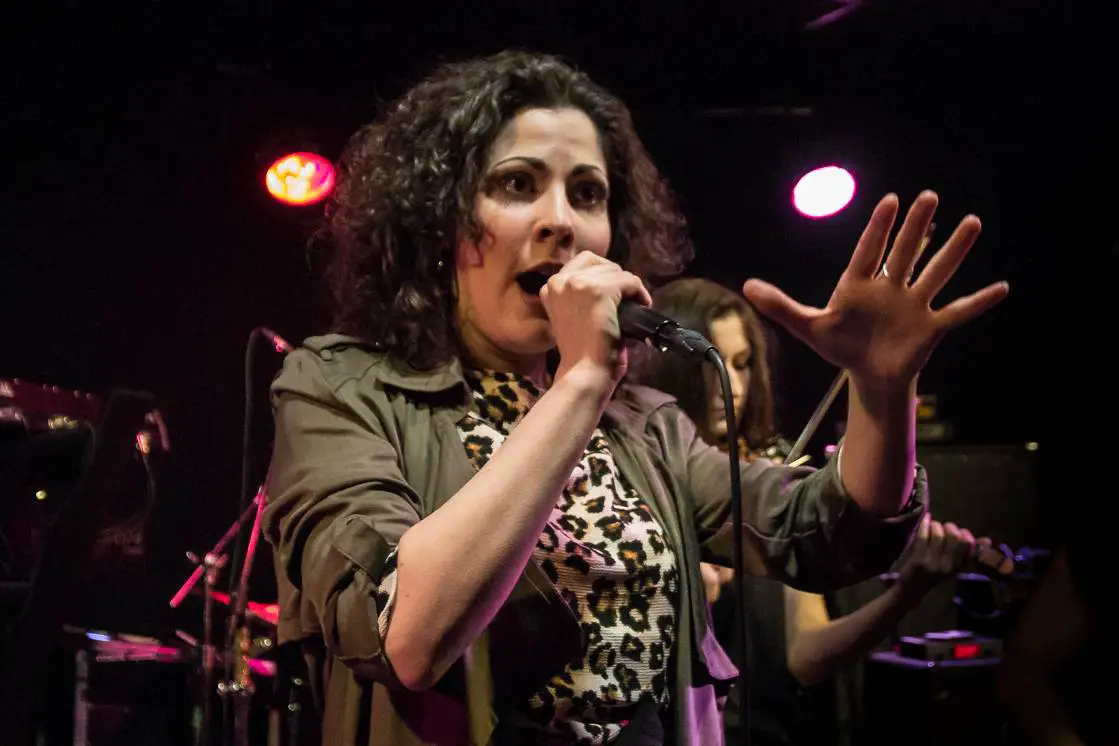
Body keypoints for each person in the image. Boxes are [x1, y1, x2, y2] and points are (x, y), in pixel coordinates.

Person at [261, 50, 1009, 746]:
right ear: (438, 222)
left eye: (587, 193)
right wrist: (582, 379)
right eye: (517, 184)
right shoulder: (342, 388)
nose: (560, 220)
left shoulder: (640, 426)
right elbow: (404, 635)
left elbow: (823, 533)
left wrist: (881, 391)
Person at [636, 277, 1014, 745]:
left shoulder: (763, 483)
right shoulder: (641, 478)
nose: (731, 385)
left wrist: (908, 590)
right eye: (709, 363)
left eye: (742, 363)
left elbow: (804, 658)